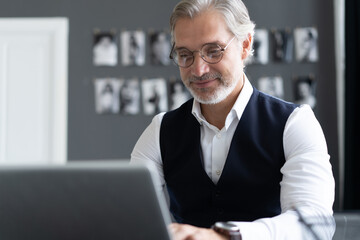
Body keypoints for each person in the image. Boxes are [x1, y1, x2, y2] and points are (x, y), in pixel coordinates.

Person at [130, 0, 335, 239]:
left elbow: (313, 223)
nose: (198, 69)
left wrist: (227, 236)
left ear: (245, 45)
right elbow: (129, 215)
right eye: (185, 54)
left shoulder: (295, 124)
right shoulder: (160, 131)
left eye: (213, 51)